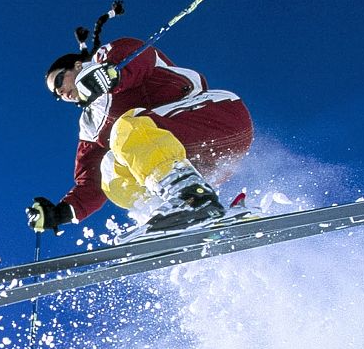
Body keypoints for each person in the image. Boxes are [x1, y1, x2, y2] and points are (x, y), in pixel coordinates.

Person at [27, 36, 254, 237]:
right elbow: (91, 181)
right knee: (109, 171)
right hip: (195, 160)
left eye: (59, 81)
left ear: (78, 65)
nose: (62, 93)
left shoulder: (104, 61)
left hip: (217, 118)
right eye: (57, 95)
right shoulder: (90, 125)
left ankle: (192, 200)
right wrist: (60, 213)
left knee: (126, 128)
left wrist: (112, 75)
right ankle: (177, 215)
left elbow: (138, 56)